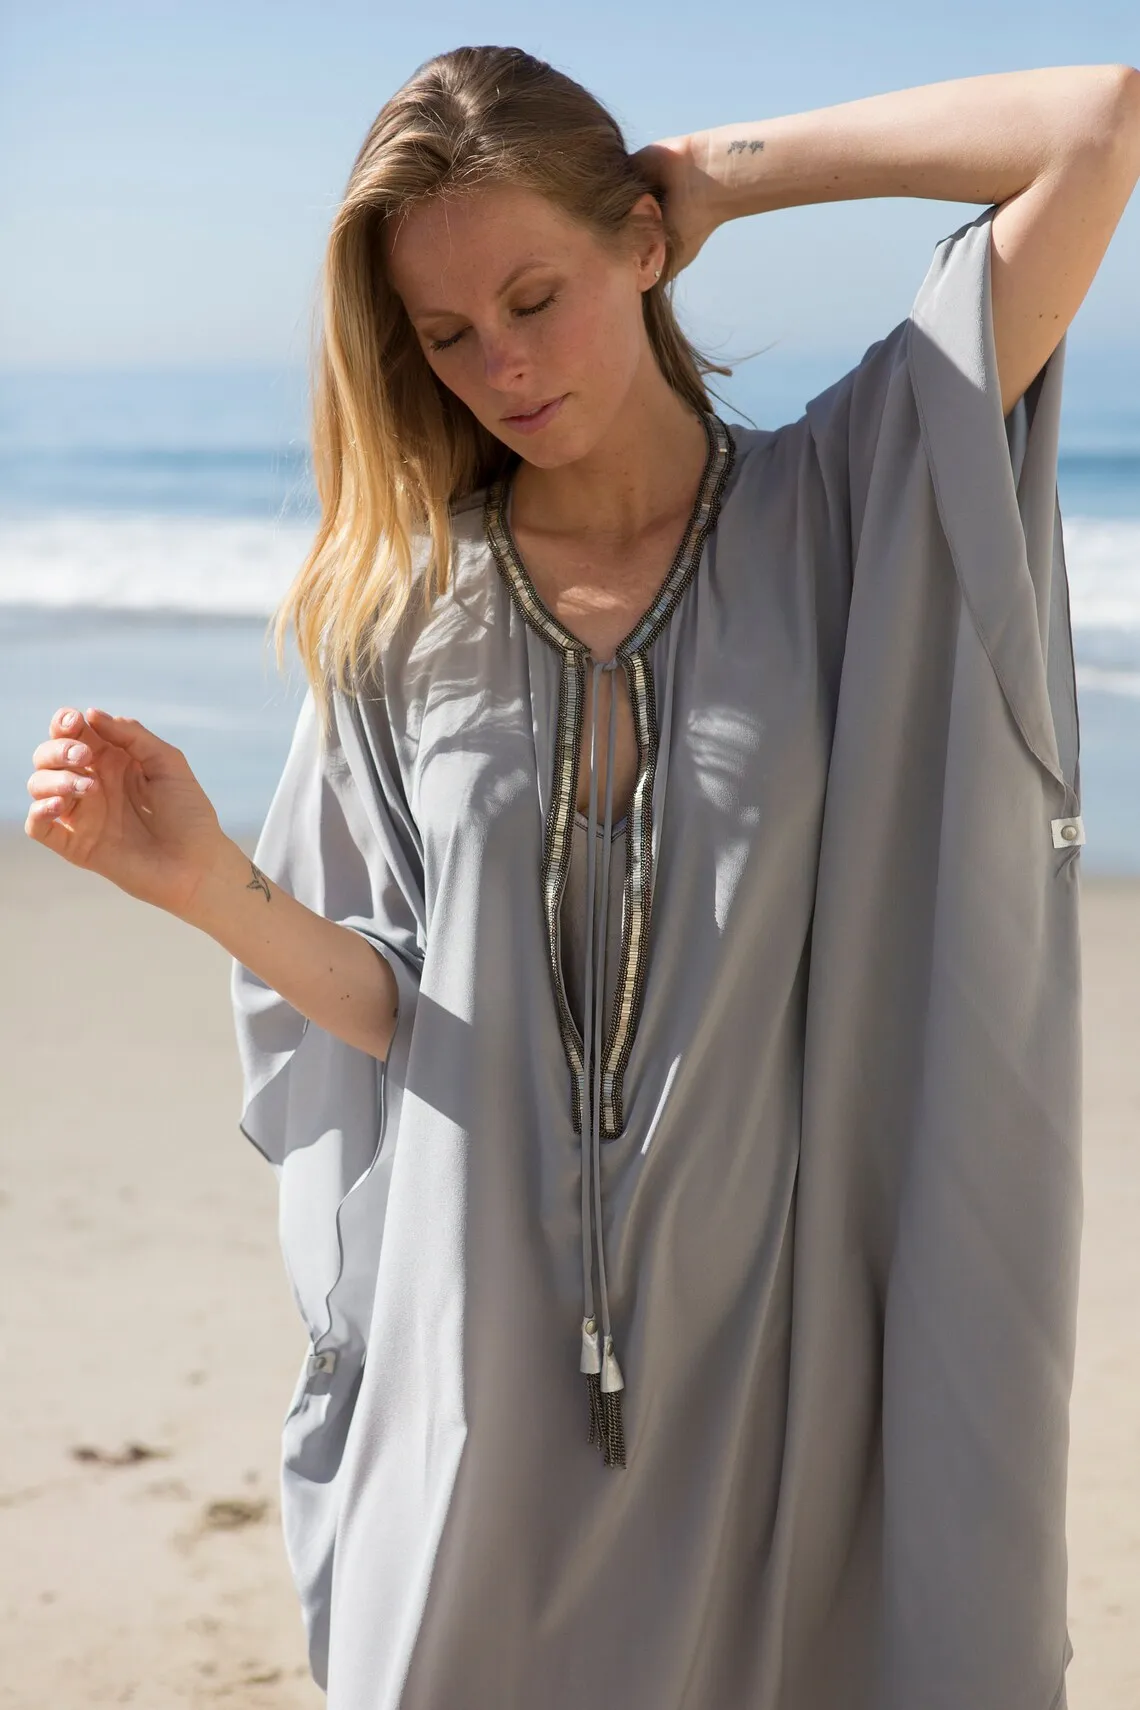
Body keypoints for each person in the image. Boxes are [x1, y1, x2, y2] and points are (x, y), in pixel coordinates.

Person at [25, 44, 1139, 1710]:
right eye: (447, 334)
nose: (504, 367)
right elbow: (407, 1001)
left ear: (640, 246)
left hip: (765, 1391)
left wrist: (713, 174)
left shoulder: (845, 505)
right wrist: (199, 879)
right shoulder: (403, 608)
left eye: (536, 296)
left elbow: (1094, 125)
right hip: (471, 1370)